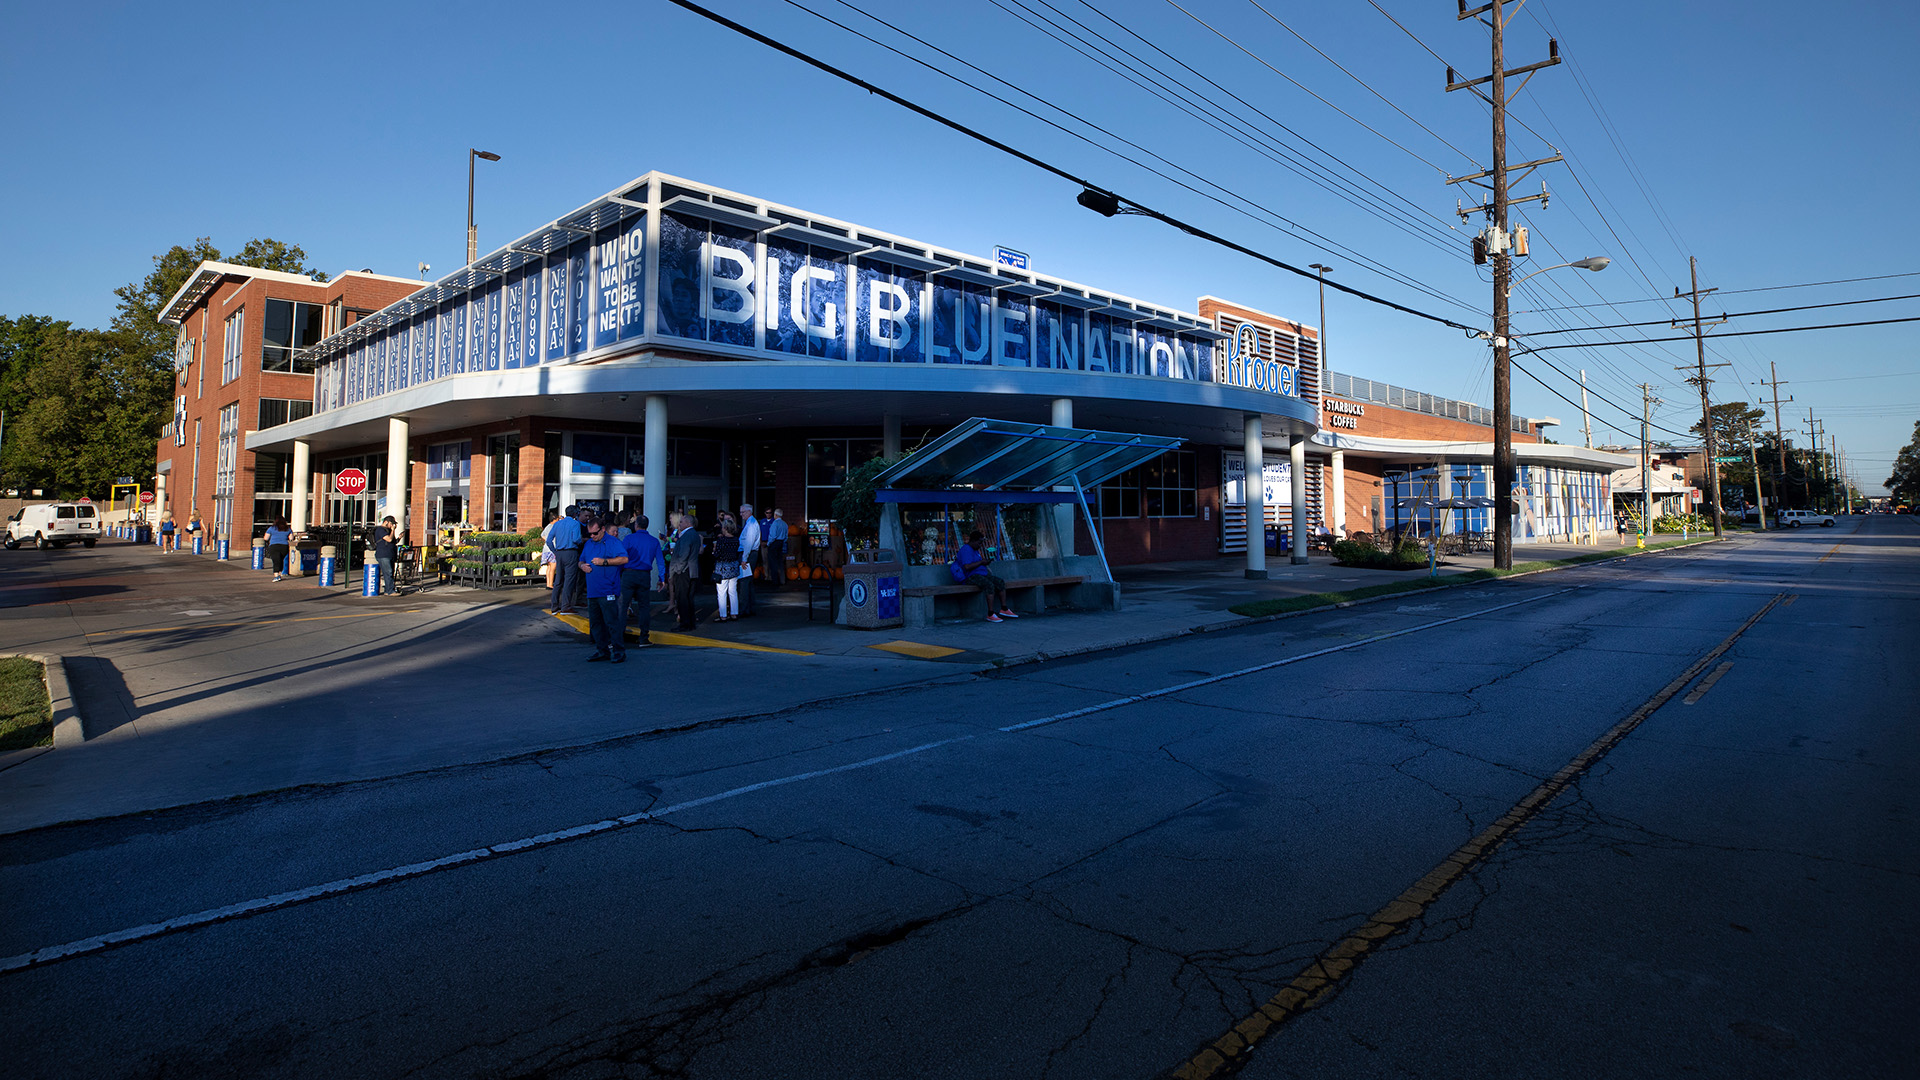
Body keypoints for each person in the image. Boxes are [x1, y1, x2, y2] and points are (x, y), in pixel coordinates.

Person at [577, 513, 630, 663]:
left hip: (608, 589)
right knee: (595, 623)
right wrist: (582, 566)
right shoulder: (589, 544)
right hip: (593, 590)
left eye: (595, 533)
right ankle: (602, 650)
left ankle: (619, 651)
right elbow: (580, 560)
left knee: (611, 622)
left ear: (602, 530)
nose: (592, 536)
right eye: (590, 533)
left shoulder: (613, 542)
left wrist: (604, 562)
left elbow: (624, 559)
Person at [619, 513, 666, 646]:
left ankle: (618, 637)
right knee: (644, 607)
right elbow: (660, 562)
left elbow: (621, 557)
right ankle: (644, 637)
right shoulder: (654, 541)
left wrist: (618, 573)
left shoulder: (629, 539)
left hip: (628, 574)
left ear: (636, 525)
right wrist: (662, 578)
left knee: (622, 607)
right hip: (644, 575)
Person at [957, 529, 1018, 623]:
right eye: (979, 543)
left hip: (982, 574)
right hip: (971, 576)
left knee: (1000, 582)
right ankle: (990, 613)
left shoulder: (975, 550)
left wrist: (985, 563)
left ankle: (1004, 608)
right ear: (973, 541)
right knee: (989, 585)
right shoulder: (966, 550)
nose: (980, 545)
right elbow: (967, 566)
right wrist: (981, 562)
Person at [546, 504, 584, 615]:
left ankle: (554, 606)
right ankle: (566, 606)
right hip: (571, 552)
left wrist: (555, 551)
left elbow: (549, 540)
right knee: (569, 580)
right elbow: (576, 539)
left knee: (558, 580)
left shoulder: (557, 524)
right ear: (575, 514)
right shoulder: (575, 524)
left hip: (559, 553)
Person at [668, 511, 702, 632]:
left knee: (682, 598)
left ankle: (685, 623)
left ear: (688, 523)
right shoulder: (695, 535)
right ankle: (690, 622)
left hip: (684, 571)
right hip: (692, 570)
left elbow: (683, 555)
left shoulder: (687, 536)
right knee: (689, 598)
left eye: (681, 522)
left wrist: (677, 570)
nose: (679, 524)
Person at [711, 517, 742, 622]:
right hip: (733, 567)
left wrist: (714, 552)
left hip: (722, 568)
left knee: (721, 592)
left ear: (725, 528)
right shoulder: (736, 540)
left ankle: (723, 615)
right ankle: (734, 613)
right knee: (733, 591)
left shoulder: (721, 540)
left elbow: (717, 554)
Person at [736, 504, 761, 616]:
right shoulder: (750, 523)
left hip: (748, 554)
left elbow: (748, 543)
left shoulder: (751, 525)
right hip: (750, 554)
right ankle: (750, 607)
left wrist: (744, 559)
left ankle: (744, 608)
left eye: (743, 512)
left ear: (749, 512)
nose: (741, 514)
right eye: (740, 512)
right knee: (748, 581)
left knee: (744, 581)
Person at [371, 515, 400, 595]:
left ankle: (387, 590)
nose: (392, 526)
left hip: (389, 554)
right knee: (388, 572)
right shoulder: (380, 530)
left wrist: (398, 538)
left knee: (390, 573)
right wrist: (392, 530)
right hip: (383, 555)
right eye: (391, 524)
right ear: (386, 522)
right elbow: (389, 539)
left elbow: (392, 541)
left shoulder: (387, 531)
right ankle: (390, 591)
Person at [765, 508, 789, 587]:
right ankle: (782, 580)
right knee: (780, 562)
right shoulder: (785, 524)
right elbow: (786, 536)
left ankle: (775, 581)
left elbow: (773, 536)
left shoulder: (775, 524)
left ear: (775, 515)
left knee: (773, 563)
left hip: (774, 543)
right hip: (781, 543)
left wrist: (769, 543)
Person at [264, 517, 293, 581]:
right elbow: (291, 538)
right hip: (284, 546)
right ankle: (279, 574)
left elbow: (266, 538)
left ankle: (276, 575)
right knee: (280, 560)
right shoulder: (288, 529)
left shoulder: (271, 528)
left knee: (276, 561)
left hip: (274, 546)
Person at [538, 508, 560, 590]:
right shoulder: (554, 527)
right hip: (552, 549)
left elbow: (542, 535)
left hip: (546, 549)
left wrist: (547, 540)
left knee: (548, 567)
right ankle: (550, 584)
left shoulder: (547, 526)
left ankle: (548, 583)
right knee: (553, 567)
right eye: (557, 518)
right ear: (555, 518)